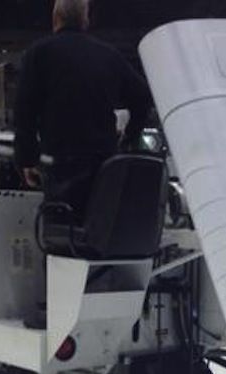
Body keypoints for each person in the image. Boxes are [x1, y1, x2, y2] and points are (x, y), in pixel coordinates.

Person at [14, 0, 151, 218]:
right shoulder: (109, 55)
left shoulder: (38, 54)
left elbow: (24, 112)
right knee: (98, 226)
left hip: (59, 163)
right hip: (103, 165)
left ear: (55, 18)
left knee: (62, 228)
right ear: (85, 20)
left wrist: (27, 160)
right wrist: (129, 138)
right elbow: (143, 97)